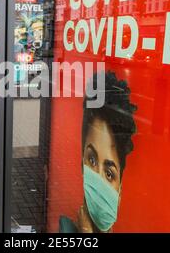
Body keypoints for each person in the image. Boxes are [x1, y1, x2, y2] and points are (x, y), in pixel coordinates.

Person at [59, 72, 137, 233]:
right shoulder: (66, 229)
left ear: (120, 188)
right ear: (82, 164)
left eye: (109, 173)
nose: (98, 177)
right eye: (92, 161)